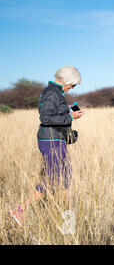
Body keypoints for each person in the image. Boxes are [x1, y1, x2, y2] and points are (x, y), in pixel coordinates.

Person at [9, 66, 85, 227]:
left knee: (65, 177)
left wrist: (68, 110)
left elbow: (54, 113)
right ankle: (19, 209)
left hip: (56, 139)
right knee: (53, 180)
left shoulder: (56, 92)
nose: (72, 88)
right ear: (63, 81)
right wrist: (70, 115)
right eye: (72, 85)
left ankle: (69, 221)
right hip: (50, 141)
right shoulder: (52, 92)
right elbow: (46, 118)